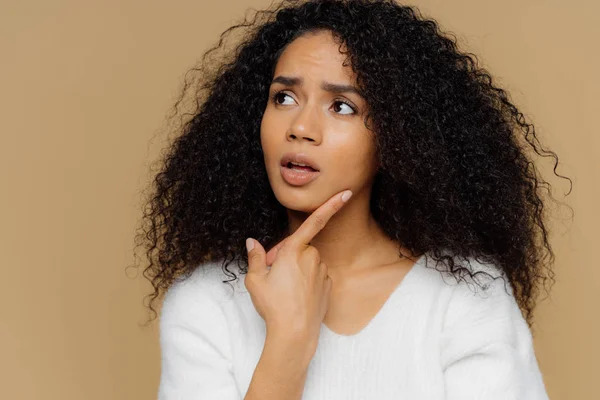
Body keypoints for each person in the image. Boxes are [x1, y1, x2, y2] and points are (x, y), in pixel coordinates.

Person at [133, 0, 572, 398]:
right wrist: (288, 343)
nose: (300, 128)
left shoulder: (463, 299)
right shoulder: (206, 304)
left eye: (342, 106)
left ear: (396, 137)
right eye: (283, 97)